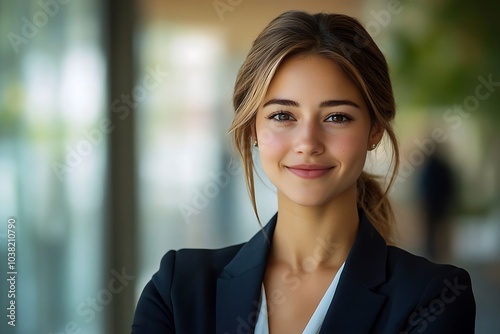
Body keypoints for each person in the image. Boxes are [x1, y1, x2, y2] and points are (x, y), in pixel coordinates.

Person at [132, 10, 475, 333]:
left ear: (375, 131)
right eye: (283, 115)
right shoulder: (177, 289)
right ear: (253, 129)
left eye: (337, 117)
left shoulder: (432, 297)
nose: (307, 142)